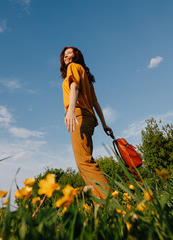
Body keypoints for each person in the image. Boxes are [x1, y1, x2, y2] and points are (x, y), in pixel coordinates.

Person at [60, 46, 113, 200]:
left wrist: (70, 110)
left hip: (79, 115)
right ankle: (102, 202)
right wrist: (104, 124)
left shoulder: (73, 67)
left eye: (69, 53)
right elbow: (95, 103)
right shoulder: (86, 76)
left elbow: (74, 86)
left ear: (76, 56)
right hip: (88, 118)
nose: (66, 56)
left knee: (84, 162)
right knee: (84, 161)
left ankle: (111, 203)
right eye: (64, 54)